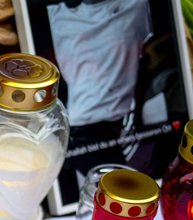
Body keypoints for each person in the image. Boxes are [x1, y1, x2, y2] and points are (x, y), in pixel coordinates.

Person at [46, 0, 152, 193]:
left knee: (115, 197)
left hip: (118, 126)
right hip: (79, 129)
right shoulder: (53, 14)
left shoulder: (135, 7)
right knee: (100, 198)